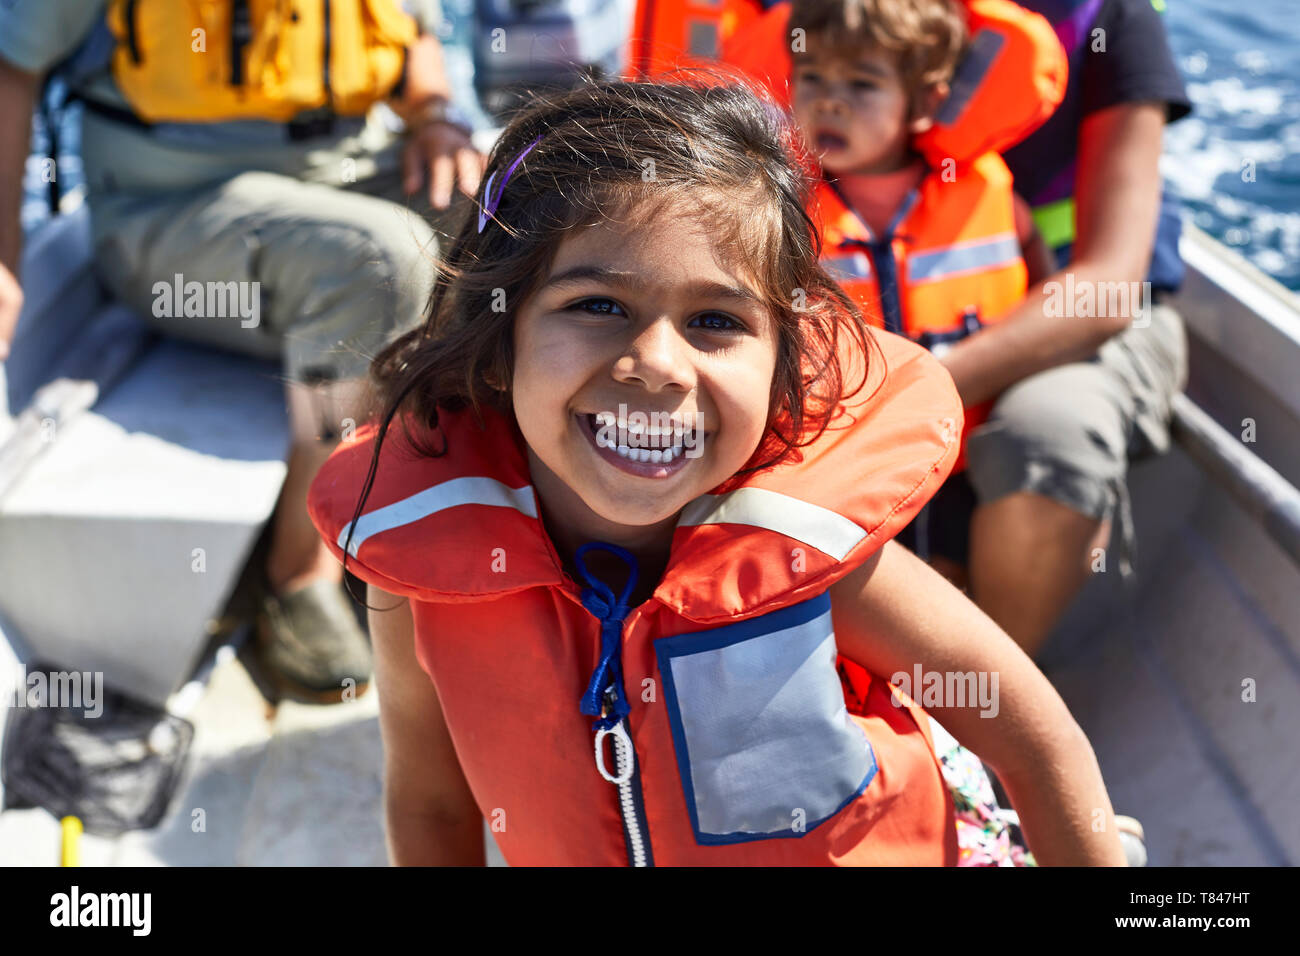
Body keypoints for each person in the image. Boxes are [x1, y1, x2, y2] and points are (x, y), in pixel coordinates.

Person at [307, 77, 1128, 865]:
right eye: (596, 305)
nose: (657, 364)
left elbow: (1034, 742)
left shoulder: (812, 556)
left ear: (780, 371)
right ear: (499, 342)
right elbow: (432, 805)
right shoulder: (419, 572)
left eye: (715, 320)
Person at [0, 0, 487, 701]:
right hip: (169, 210)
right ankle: (300, 574)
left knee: (512, 211)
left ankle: (448, 508)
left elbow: (414, 36)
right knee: (373, 259)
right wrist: (6, 261)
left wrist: (436, 121)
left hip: (343, 171)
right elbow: (13, 67)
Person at [782, 0, 1062, 585]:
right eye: (813, 78)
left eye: (862, 83)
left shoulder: (983, 190)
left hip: (958, 464)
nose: (830, 101)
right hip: (835, 469)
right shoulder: (775, 208)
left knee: (949, 582)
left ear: (927, 102)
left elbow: (1040, 280)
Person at [954, 0, 1192, 659]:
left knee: (1049, 438)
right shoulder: (866, 19)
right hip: (905, 311)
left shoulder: (1117, 23)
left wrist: (915, 389)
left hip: (1086, 319)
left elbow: (1109, 287)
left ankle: (978, 722)